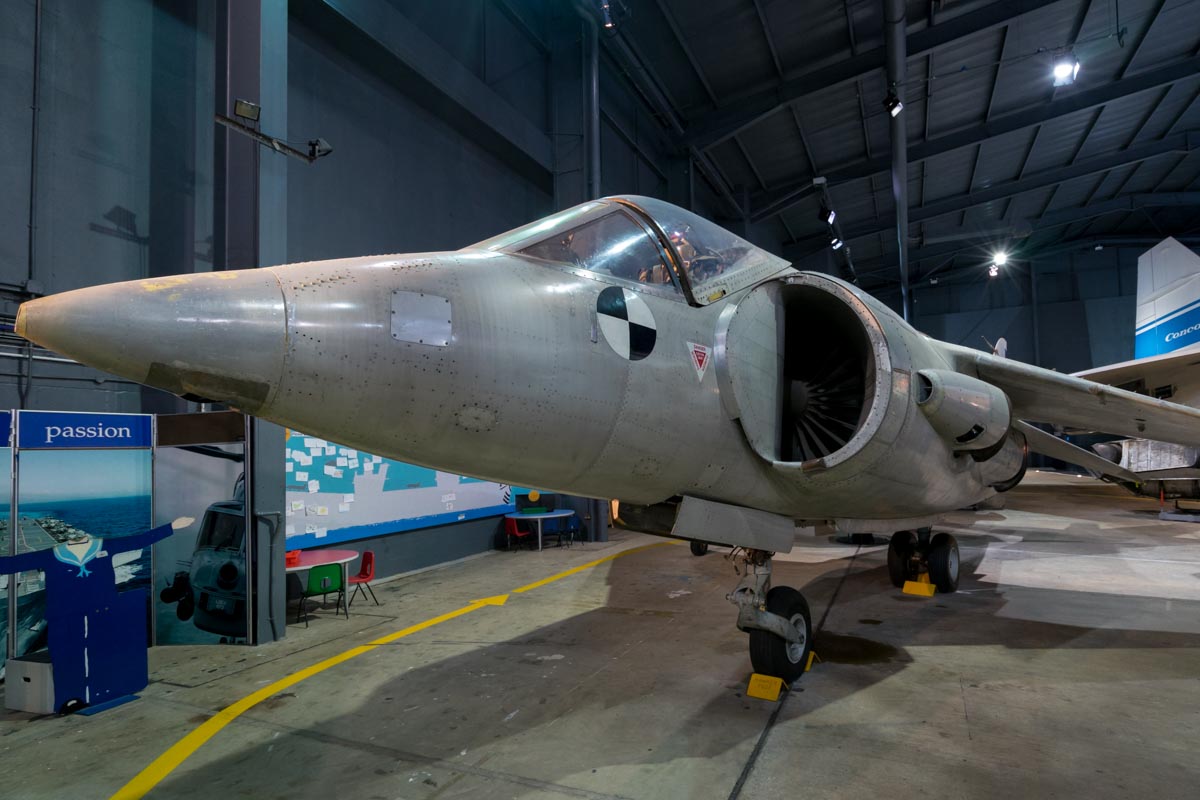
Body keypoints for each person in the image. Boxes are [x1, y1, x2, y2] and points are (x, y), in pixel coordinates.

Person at [0, 524, 174, 713]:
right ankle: (68, 700)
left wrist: (171, 527)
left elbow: (139, 540)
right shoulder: (56, 554)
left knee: (101, 652)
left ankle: (101, 691)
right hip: (65, 617)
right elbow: (12, 564)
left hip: (98, 612)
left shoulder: (91, 549)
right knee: (65, 658)